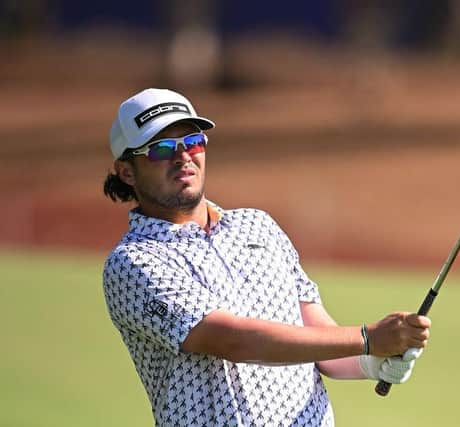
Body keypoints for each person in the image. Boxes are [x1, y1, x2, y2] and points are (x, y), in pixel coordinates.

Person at [102, 88, 431, 426]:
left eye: (193, 142)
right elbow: (233, 340)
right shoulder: (133, 262)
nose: (183, 156)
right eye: (162, 149)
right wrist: (366, 338)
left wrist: (372, 360)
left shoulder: (257, 225)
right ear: (126, 171)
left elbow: (319, 339)